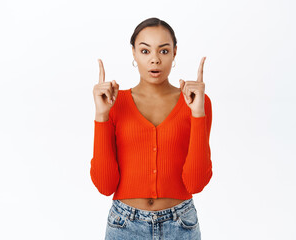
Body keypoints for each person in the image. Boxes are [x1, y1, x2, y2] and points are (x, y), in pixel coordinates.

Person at [90, 17, 213, 240]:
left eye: (163, 51)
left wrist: (197, 113)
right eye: (145, 51)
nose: (155, 60)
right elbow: (105, 185)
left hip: (181, 225)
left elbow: (196, 183)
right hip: (124, 226)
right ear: (134, 54)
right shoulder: (113, 103)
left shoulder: (196, 102)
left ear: (175, 53)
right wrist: (101, 115)